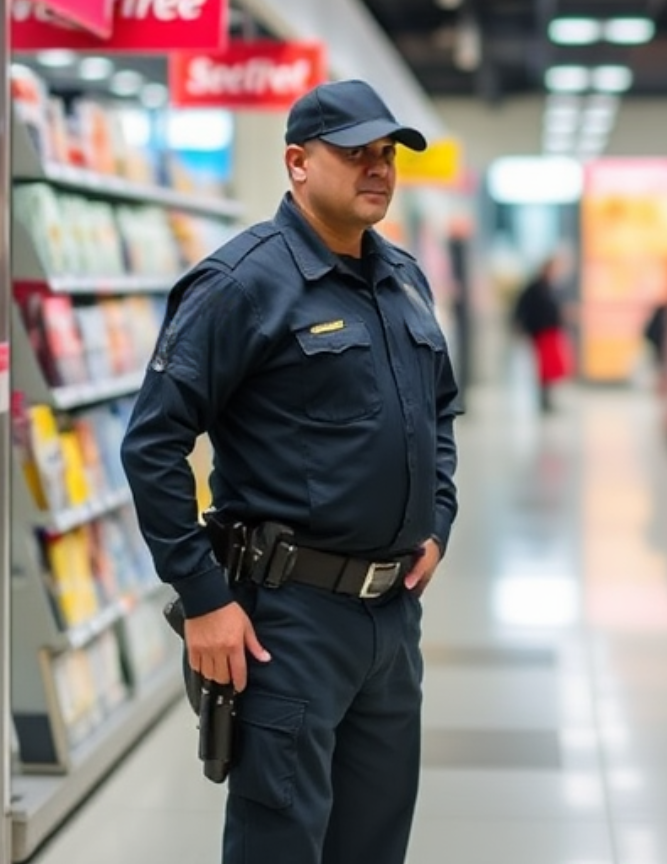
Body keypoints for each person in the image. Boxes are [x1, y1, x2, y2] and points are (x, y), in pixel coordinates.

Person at [120, 78, 461, 864]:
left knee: (373, 843)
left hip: (391, 620)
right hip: (288, 620)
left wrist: (438, 518)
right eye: (356, 152)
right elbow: (152, 444)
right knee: (280, 843)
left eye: (387, 154)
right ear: (298, 163)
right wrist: (204, 598)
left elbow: (439, 411)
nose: (378, 168)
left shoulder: (404, 278)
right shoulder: (242, 284)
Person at [512, 258, 571, 411]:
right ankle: (543, 400)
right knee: (544, 368)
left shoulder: (552, 288)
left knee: (550, 368)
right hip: (540, 332)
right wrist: (519, 325)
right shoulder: (535, 288)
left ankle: (547, 399)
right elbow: (522, 306)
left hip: (551, 331)